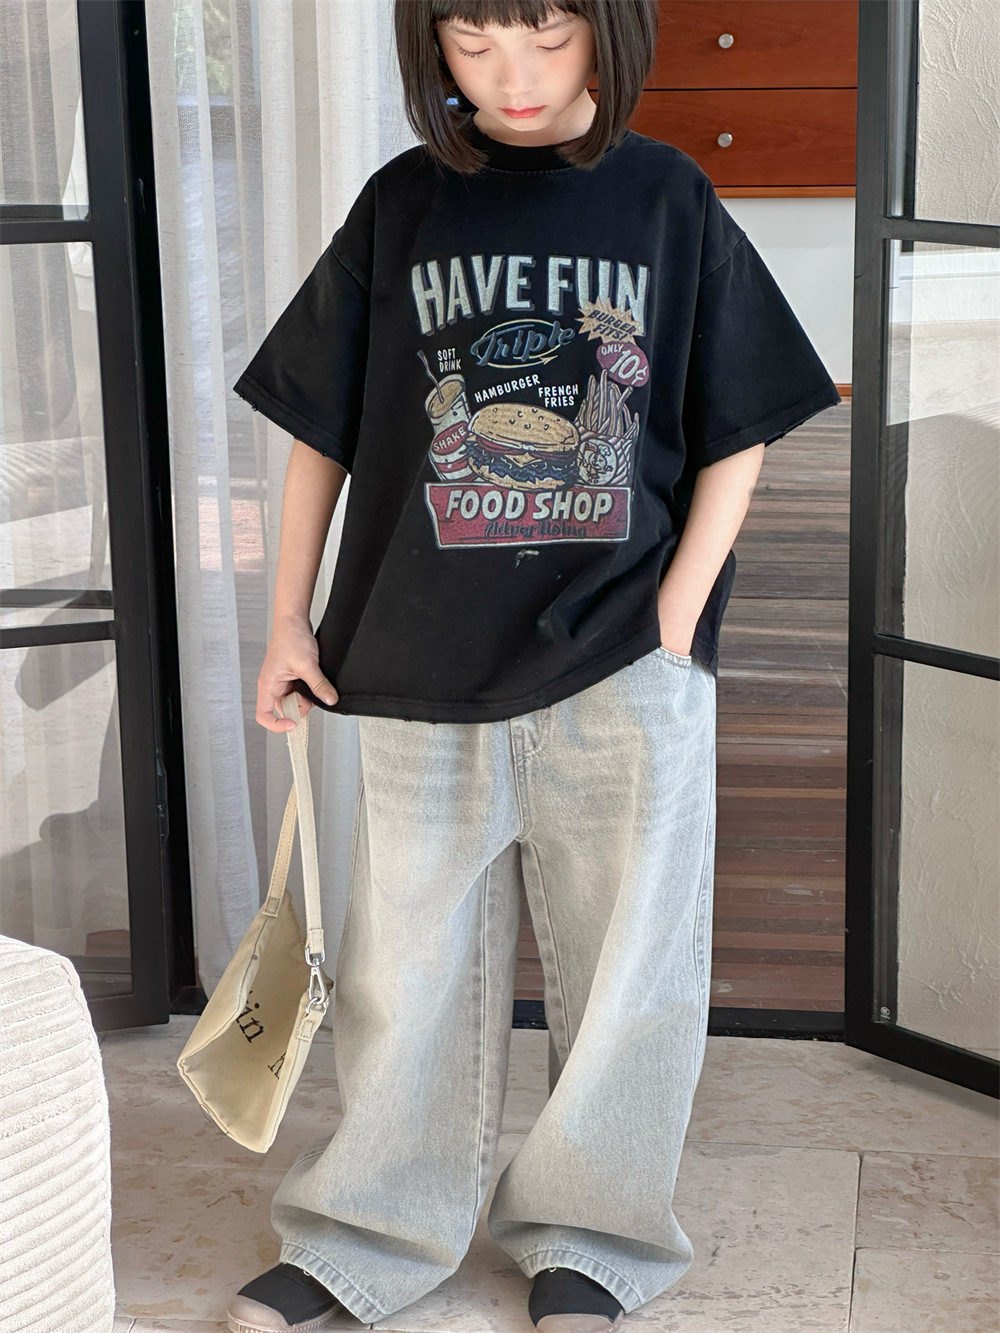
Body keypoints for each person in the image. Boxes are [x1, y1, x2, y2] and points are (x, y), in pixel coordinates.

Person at [225, 3, 841, 1331]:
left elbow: (742, 419)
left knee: (632, 972)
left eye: (548, 36)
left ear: (608, 30)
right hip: (414, 654)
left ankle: (593, 1239)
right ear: (432, 44)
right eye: (474, 40)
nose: (512, 76)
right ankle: (367, 1235)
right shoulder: (402, 205)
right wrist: (287, 619)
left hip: (622, 653)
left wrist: (678, 609)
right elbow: (321, 431)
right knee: (404, 969)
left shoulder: (667, 198)